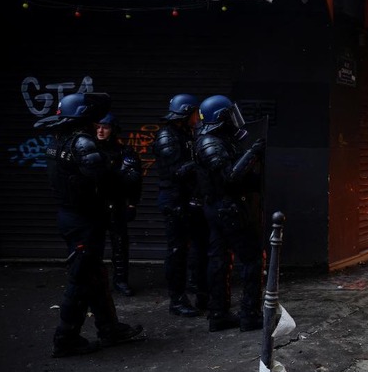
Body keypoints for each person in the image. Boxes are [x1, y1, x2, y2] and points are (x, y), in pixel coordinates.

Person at [37, 93, 143, 357]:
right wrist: (128, 175)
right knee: (81, 279)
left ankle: (109, 329)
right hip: (83, 220)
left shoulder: (58, 140)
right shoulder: (82, 142)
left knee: (95, 276)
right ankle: (65, 338)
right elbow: (107, 181)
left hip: (72, 217)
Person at [194, 95, 266, 332]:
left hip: (219, 208)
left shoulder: (215, 140)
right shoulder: (211, 143)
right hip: (228, 208)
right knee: (253, 259)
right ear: (221, 118)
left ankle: (219, 314)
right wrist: (253, 153)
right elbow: (231, 177)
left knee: (220, 260)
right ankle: (250, 315)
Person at [153, 93, 209, 317]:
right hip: (174, 200)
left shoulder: (185, 133)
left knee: (198, 246)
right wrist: (199, 162)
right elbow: (176, 171)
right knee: (177, 251)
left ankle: (198, 290)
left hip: (189, 199)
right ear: (187, 113)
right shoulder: (167, 136)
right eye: (195, 113)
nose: (198, 117)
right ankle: (176, 300)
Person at [95, 113, 142, 297]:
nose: (100, 131)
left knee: (120, 245)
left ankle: (121, 281)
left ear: (113, 130)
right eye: (98, 126)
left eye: (105, 127)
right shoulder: (88, 150)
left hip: (117, 204)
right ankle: (95, 282)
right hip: (96, 205)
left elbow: (134, 181)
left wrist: (132, 204)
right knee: (92, 246)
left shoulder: (125, 152)